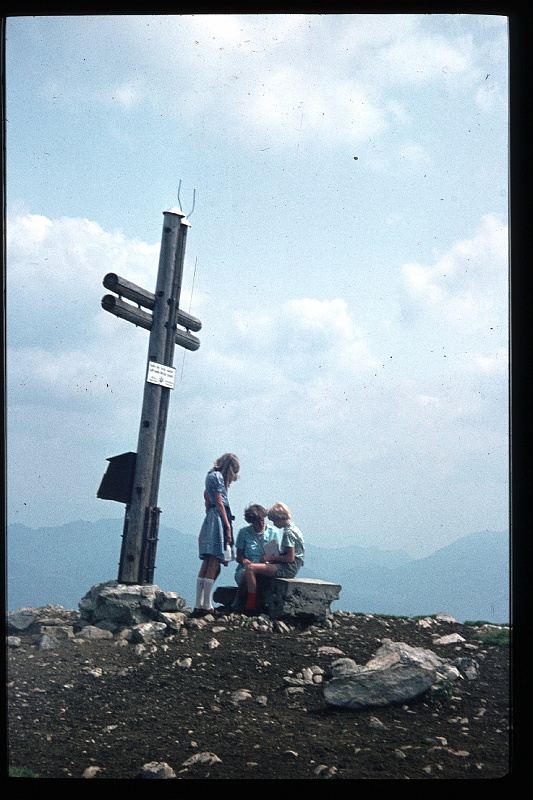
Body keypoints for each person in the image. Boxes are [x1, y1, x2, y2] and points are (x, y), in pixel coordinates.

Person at [194, 453, 240, 616]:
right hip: (219, 518)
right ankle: (207, 605)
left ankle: (199, 603)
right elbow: (219, 503)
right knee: (214, 560)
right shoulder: (218, 478)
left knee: (207, 561)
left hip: (211, 517)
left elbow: (207, 498)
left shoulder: (210, 475)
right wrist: (227, 526)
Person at [242, 502, 304, 614]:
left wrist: (270, 557)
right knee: (252, 570)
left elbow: (290, 557)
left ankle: (251, 603)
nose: (274, 524)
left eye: (274, 521)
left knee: (250, 569)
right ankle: (249, 602)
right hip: (292, 566)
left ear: (279, 519)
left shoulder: (288, 533)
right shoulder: (293, 528)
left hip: (288, 568)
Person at [231, 504, 280, 612]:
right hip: (247, 566)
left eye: (262, 520)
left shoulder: (274, 532)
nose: (261, 523)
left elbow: (276, 556)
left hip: (264, 566)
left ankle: (240, 602)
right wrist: (243, 560)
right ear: (251, 522)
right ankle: (253, 603)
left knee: (250, 573)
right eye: (257, 522)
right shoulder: (244, 533)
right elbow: (238, 557)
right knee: (246, 573)